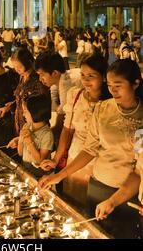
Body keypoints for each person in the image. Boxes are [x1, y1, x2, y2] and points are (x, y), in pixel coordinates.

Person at [38, 59, 143, 239]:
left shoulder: (141, 119)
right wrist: (59, 175)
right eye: (109, 85)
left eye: (118, 85)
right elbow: (90, 150)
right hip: (97, 185)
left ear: (135, 83)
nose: (112, 90)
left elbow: (138, 171)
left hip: (126, 193)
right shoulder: (103, 108)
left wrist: (113, 201)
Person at [40, 54, 110, 205]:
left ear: (104, 77)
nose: (86, 80)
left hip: (98, 163)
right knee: (71, 202)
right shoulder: (75, 95)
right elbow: (67, 130)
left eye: (91, 76)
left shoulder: (109, 104)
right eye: (83, 75)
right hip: (74, 156)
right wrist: (56, 160)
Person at [3, 48, 49, 149]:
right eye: (15, 66)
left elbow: (40, 109)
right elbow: (21, 97)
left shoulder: (38, 80)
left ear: (28, 62)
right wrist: (11, 104)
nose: (16, 69)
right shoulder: (22, 76)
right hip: (20, 123)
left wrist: (28, 134)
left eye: (19, 66)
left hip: (34, 127)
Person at [18, 94, 53, 179]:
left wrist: (29, 141)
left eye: (26, 111)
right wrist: (20, 139)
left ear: (35, 112)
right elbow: (20, 153)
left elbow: (40, 160)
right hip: (25, 167)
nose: (23, 115)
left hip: (38, 173)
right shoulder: (26, 126)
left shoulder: (47, 134)